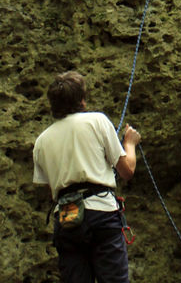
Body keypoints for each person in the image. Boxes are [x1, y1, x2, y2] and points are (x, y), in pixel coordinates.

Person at [33, 70, 141, 283]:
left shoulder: (41, 141)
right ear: (82, 100)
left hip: (66, 218)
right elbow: (127, 171)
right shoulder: (97, 121)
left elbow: (51, 191)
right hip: (102, 213)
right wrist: (129, 143)